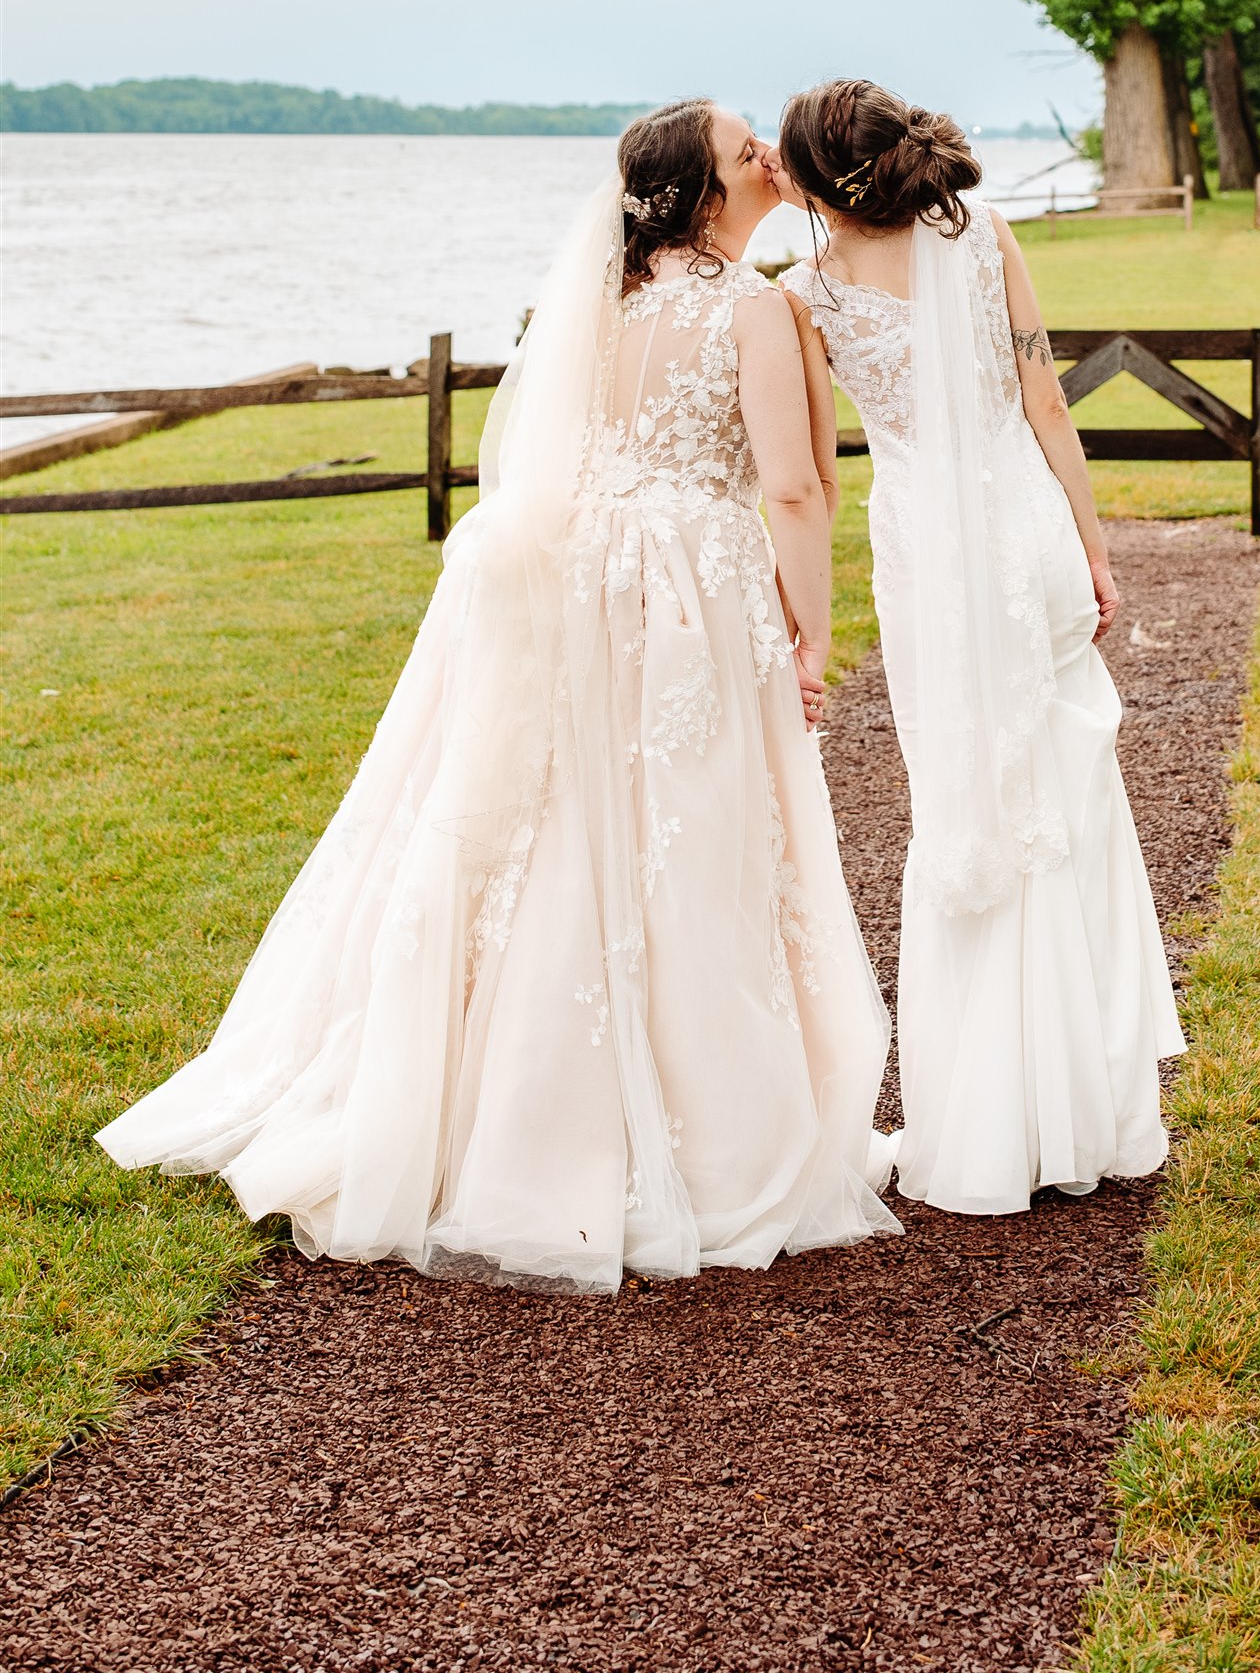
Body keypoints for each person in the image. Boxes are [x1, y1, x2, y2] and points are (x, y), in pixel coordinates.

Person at [97, 98, 901, 1291]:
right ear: (701, 193)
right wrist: (815, 634)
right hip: (690, 592)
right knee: (693, 837)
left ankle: (520, 1120)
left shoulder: (599, 303)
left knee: (564, 827)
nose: (767, 158)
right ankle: (691, 1132)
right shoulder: (751, 306)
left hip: (582, 584)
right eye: (747, 152)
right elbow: (793, 488)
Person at [770, 78, 1186, 1216]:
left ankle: (988, 1116)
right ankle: (1090, 1105)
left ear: (816, 182)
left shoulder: (804, 294)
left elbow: (803, 460)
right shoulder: (980, 232)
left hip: (927, 558)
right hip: (1026, 529)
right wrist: (1092, 547)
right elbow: (1044, 399)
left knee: (962, 797)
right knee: (1064, 790)